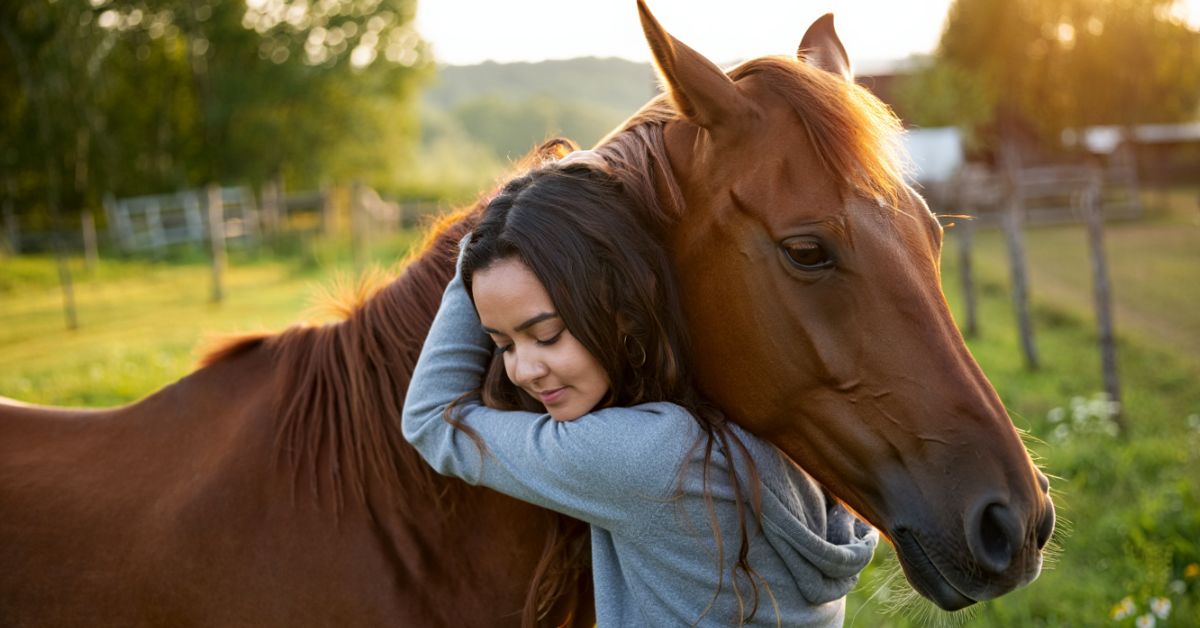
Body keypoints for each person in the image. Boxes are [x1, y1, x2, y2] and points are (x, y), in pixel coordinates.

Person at [402, 159, 877, 627]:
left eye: (547, 336)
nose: (524, 370)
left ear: (623, 308)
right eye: (503, 345)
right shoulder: (771, 423)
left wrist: (476, 243)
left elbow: (431, 419)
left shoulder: (641, 457)